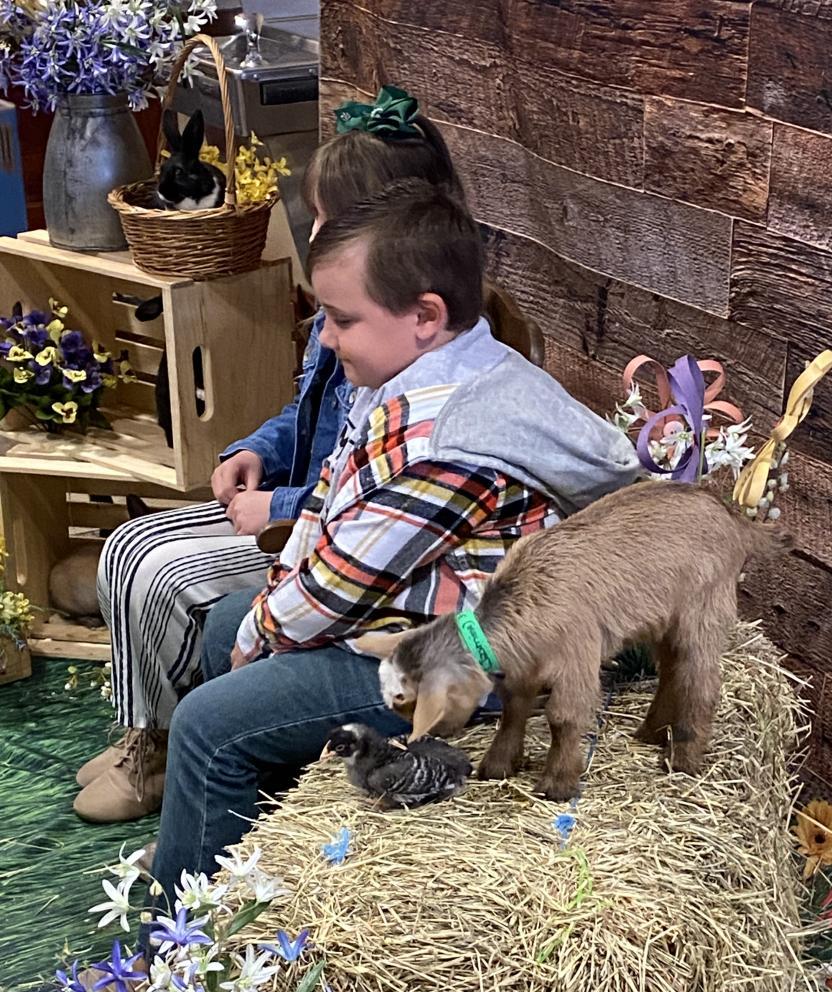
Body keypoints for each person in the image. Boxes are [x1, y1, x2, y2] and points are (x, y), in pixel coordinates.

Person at [143, 179, 639, 931]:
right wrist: (259, 620)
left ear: (425, 317)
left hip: (466, 661)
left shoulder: (447, 444)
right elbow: (329, 507)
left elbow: (337, 590)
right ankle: (244, 849)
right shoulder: (412, 377)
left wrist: (265, 628)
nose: (325, 337)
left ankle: (179, 951)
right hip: (415, 612)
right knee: (224, 629)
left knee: (209, 725)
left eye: (342, 319)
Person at [74, 85, 466, 824]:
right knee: (127, 547)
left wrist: (278, 511)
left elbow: (369, 512)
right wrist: (256, 448)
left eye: (326, 218)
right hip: (305, 516)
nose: (311, 232)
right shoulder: (343, 318)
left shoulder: (407, 358)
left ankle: (176, 747)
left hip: (331, 545)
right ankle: (153, 736)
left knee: (164, 574)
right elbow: (310, 417)